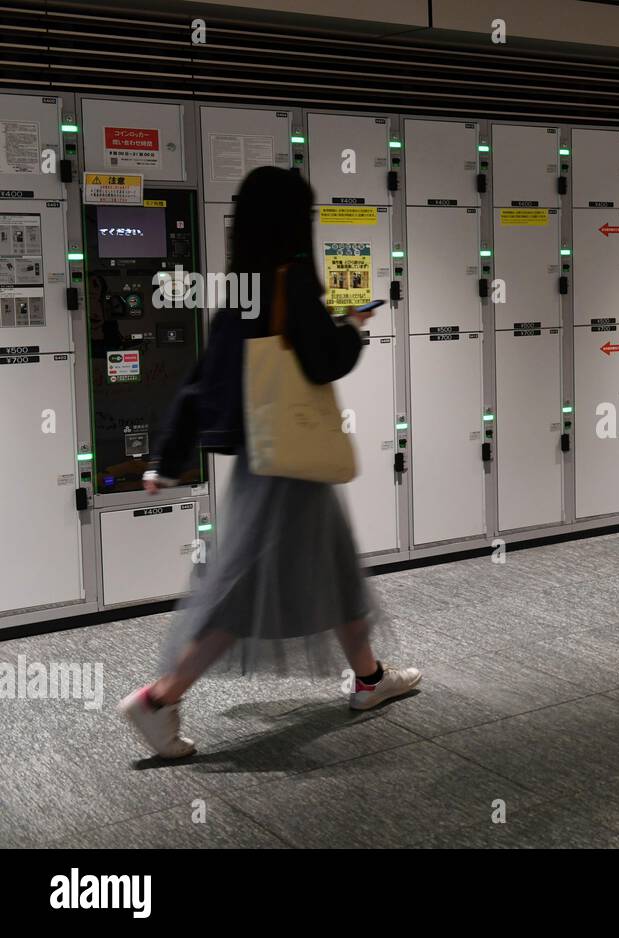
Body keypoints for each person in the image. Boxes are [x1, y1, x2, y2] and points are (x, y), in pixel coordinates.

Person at [118, 166, 419, 759]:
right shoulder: (293, 277)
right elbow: (322, 362)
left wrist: (167, 458)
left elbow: (199, 380)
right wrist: (354, 327)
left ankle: (370, 678)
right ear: (292, 222)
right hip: (290, 466)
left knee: (334, 570)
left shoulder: (244, 288)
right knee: (242, 592)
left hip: (269, 455)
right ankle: (158, 699)